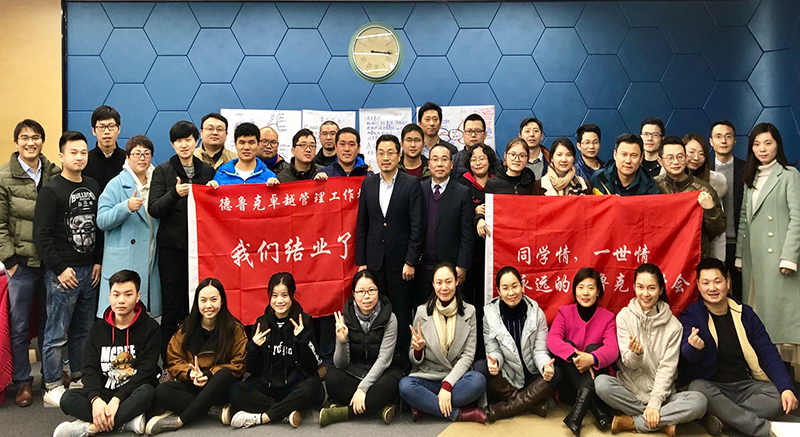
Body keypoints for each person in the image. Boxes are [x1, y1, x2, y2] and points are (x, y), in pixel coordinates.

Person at [680, 258, 798, 437]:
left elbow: (767, 351)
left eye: (717, 281)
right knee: (697, 389)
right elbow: (686, 353)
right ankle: (761, 429)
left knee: (776, 394)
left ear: (727, 282)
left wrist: (786, 387)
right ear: (698, 285)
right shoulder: (691, 315)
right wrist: (693, 347)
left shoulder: (745, 313)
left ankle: (723, 419)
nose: (712, 288)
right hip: (712, 387)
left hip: (745, 387)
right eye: (706, 283)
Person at [34, 131, 104, 407]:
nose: (79, 157)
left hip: (90, 271)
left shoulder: (93, 185)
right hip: (62, 274)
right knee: (56, 333)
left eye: (83, 152)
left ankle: (78, 376)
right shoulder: (51, 190)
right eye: (73, 152)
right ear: (61, 156)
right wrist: (60, 269)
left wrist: (98, 260)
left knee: (84, 331)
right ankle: (51, 385)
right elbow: (41, 236)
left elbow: (98, 227)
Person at [595, 264, 707, 435]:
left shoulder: (674, 326)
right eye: (640, 287)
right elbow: (628, 363)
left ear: (660, 289)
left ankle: (632, 422)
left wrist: (655, 403)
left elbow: (667, 369)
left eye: (651, 288)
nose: (645, 293)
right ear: (634, 287)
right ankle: (662, 422)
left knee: (699, 401)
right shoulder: (624, 317)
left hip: (662, 396)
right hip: (630, 391)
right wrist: (636, 354)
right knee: (601, 383)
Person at [54, 270, 160, 437]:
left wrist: (117, 400)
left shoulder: (150, 328)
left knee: (148, 392)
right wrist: (96, 400)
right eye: (116, 295)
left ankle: (90, 428)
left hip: (132, 393)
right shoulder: (97, 329)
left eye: (128, 294)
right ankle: (126, 422)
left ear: (137, 296)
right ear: (109, 297)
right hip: (103, 393)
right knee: (67, 398)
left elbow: (146, 372)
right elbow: (89, 369)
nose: (121, 300)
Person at [1, 119, 61, 407]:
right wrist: (10, 261)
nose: (30, 142)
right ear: (17, 142)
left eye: (36, 137)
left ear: (42, 141)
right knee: (20, 326)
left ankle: (51, 379)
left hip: (50, 262)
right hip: (21, 264)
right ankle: (23, 382)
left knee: (51, 323)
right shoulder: (4, 177)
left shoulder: (53, 173)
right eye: (24, 137)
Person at [736, 122, 800, 378]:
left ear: (777, 145)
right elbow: (744, 219)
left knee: (782, 322)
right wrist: (740, 255)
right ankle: (767, 380)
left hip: (780, 261)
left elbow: (797, 218)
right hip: (755, 259)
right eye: (756, 144)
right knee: (758, 317)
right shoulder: (750, 177)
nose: (762, 149)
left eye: (768, 143)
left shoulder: (789, 175)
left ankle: (787, 383)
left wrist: (790, 257)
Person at [148, 121, 215, 361]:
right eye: (178, 141)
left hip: (201, 250)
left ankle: (198, 358)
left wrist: (215, 190)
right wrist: (174, 194)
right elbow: (154, 208)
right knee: (171, 309)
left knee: (198, 306)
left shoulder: (207, 171)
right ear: (172, 144)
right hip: (172, 252)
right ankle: (169, 362)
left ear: (197, 141)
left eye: (188, 139)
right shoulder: (163, 171)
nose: (184, 145)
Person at [146, 278, 247, 434]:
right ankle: (212, 411)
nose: (208, 305)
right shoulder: (186, 328)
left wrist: (209, 375)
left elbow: (239, 364)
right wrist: (190, 373)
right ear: (197, 302)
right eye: (203, 300)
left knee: (224, 374)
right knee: (161, 392)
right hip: (194, 384)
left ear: (222, 301)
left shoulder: (234, 328)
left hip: (220, 387)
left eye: (214, 299)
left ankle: (180, 421)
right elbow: (174, 360)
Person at [356, 134, 422, 360]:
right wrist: (361, 262)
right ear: (375, 156)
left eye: (390, 153)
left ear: (399, 155)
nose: (385, 158)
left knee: (401, 312)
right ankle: (378, 357)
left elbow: (417, 226)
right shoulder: (368, 183)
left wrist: (411, 260)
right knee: (376, 311)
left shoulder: (411, 183)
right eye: (381, 153)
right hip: (374, 261)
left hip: (401, 262)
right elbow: (362, 225)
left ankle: (401, 358)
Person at [228, 272, 324, 429]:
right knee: (235, 391)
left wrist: (302, 340)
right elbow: (253, 370)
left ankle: (262, 418)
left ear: (292, 295)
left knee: (314, 387)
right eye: (274, 296)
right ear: (269, 296)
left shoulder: (304, 320)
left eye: (284, 295)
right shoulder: (261, 323)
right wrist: (253, 347)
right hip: (268, 387)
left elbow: (312, 366)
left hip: (294, 385)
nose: (279, 301)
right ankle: (287, 411)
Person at [398, 263, 487, 423]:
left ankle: (427, 406)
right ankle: (459, 414)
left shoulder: (469, 311)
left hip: (456, 378)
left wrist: (447, 384)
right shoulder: (422, 311)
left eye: (448, 282)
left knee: (478, 380)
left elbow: (468, 356)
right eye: (439, 282)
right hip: (428, 377)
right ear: (433, 284)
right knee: (405, 386)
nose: (444, 287)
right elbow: (413, 359)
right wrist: (418, 351)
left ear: (456, 282)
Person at [319, 270, 404, 426]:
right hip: (354, 372)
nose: (366, 296)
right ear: (353, 294)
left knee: (394, 382)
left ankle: (343, 413)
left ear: (378, 291)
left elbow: (384, 360)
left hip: (380, 374)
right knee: (332, 377)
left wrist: (363, 389)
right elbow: (341, 364)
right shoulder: (345, 318)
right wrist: (342, 341)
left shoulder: (390, 318)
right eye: (361, 292)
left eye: (371, 290)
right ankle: (378, 408)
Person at [483, 266, 561, 422]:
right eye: (505, 288)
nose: (511, 293)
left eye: (515, 286)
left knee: (556, 373)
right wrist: (495, 362)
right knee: (481, 368)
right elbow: (493, 349)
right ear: (499, 291)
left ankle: (505, 409)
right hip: (508, 375)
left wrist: (545, 366)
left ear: (522, 286)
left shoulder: (536, 313)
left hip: (531, 375)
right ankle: (531, 405)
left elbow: (540, 350)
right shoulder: (489, 316)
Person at [547, 267, 617, 435]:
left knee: (594, 348)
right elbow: (552, 339)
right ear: (575, 290)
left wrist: (592, 359)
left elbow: (613, 349)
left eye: (591, 288)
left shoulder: (608, 317)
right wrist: (575, 355)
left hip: (597, 384)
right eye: (581, 287)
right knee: (567, 345)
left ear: (598, 291)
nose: (585, 293)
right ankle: (598, 411)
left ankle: (576, 416)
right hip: (569, 388)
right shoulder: (565, 313)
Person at [97, 135, 160, 319]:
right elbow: (102, 220)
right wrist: (125, 207)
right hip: (124, 260)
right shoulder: (116, 184)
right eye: (137, 153)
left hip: (150, 255)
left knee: (146, 318)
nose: (142, 158)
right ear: (127, 157)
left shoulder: (157, 182)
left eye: (147, 154)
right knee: (120, 317)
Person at [418, 144, 473, 304]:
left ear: (451, 164)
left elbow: (467, 234)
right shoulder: (419, 189)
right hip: (423, 267)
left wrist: (462, 265)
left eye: (444, 159)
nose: (440, 164)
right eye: (435, 160)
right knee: (424, 310)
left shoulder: (462, 192)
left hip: (451, 267)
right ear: (429, 164)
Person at [457, 142, 498, 357]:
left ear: (490, 161)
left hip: (491, 254)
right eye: (473, 159)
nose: (478, 162)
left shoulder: (497, 182)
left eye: (482, 158)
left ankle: (485, 349)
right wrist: (474, 211)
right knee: (465, 300)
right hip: (468, 252)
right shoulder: (462, 184)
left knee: (486, 302)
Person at [654, 136, 725, 259]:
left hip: (694, 257)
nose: (676, 162)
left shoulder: (703, 189)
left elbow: (718, 229)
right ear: (660, 161)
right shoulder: (654, 186)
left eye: (680, 157)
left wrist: (710, 210)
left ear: (686, 158)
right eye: (670, 158)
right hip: (662, 256)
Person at [709, 120, 745, 298]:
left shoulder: (747, 169)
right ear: (711, 141)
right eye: (718, 136)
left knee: (741, 291)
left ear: (735, 140)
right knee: (713, 290)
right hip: (714, 242)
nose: (723, 141)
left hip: (741, 242)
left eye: (728, 136)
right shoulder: (705, 170)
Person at [474, 138, 536, 240]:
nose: (517, 159)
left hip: (527, 237)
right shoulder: (493, 184)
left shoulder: (532, 183)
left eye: (522, 155)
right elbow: (482, 209)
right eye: (512, 154)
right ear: (505, 155)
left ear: (528, 158)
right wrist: (480, 219)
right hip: (502, 239)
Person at [684, 132, 728, 260]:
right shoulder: (664, 181)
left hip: (702, 253)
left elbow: (719, 231)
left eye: (702, 154)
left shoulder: (713, 183)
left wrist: (718, 261)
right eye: (691, 152)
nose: (696, 158)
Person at [210, 122, 278, 186]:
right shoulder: (222, 175)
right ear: (236, 145)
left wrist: (275, 188)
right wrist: (209, 190)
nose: (246, 147)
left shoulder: (269, 177)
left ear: (258, 144)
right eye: (242, 142)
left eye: (251, 142)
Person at [591, 133, 659, 196]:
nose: (628, 161)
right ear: (615, 155)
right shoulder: (599, 178)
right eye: (624, 154)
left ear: (641, 158)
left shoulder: (649, 186)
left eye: (633, 155)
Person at [84, 105, 125, 192]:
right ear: (94, 130)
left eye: (111, 126)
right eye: (101, 127)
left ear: (119, 129)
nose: (106, 132)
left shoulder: (128, 160)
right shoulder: (85, 161)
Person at [452, 114, 498, 178]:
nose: (473, 135)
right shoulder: (454, 160)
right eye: (469, 131)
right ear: (463, 134)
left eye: (478, 131)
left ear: (485, 134)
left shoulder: (495, 161)